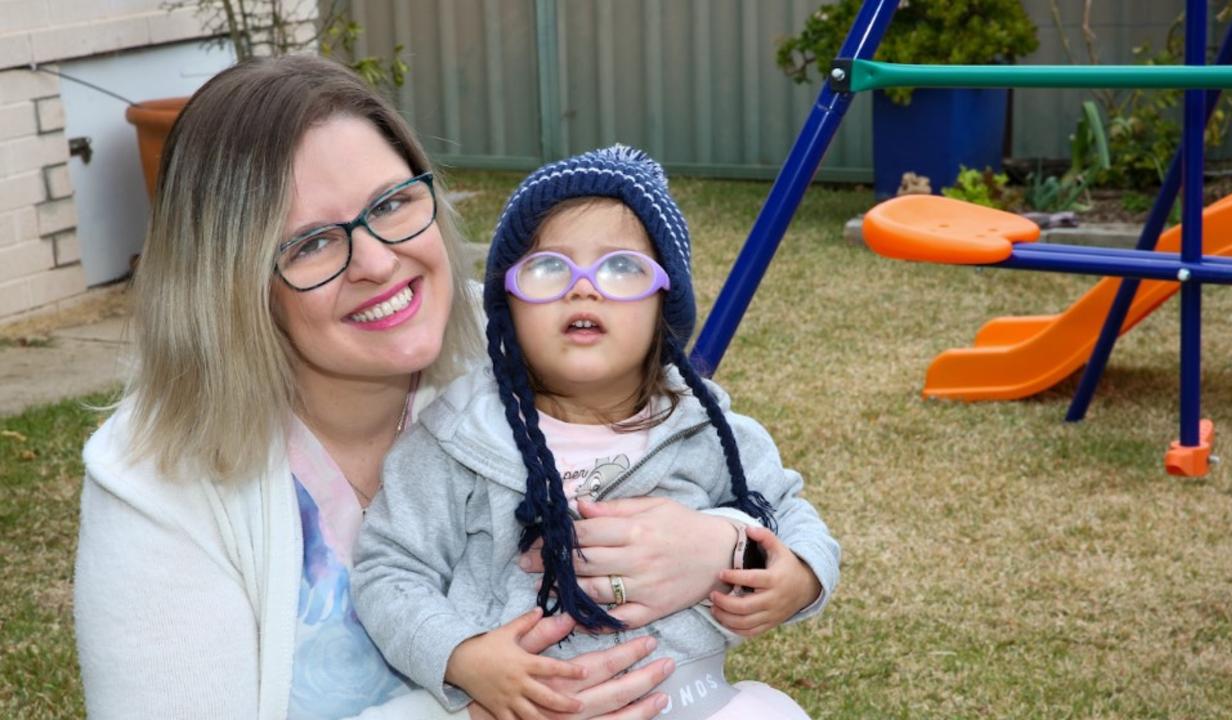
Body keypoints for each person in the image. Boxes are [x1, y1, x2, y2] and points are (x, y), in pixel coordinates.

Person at [72, 56, 825, 720]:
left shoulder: (527, 342)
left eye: (392, 203)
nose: (377, 262)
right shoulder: (156, 482)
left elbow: (758, 496)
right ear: (231, 288)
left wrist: (725, 544)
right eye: (310, 242)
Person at [351, 146, 841, 720]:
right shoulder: (458, 439)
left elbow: (788, 511)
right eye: (548, 269)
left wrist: (799, 578)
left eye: (622, 269)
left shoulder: (704, 431)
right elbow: (389, 569)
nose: (583, 288)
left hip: (688, 700)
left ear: (664, 306)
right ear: (507, 306)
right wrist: (463, 658)